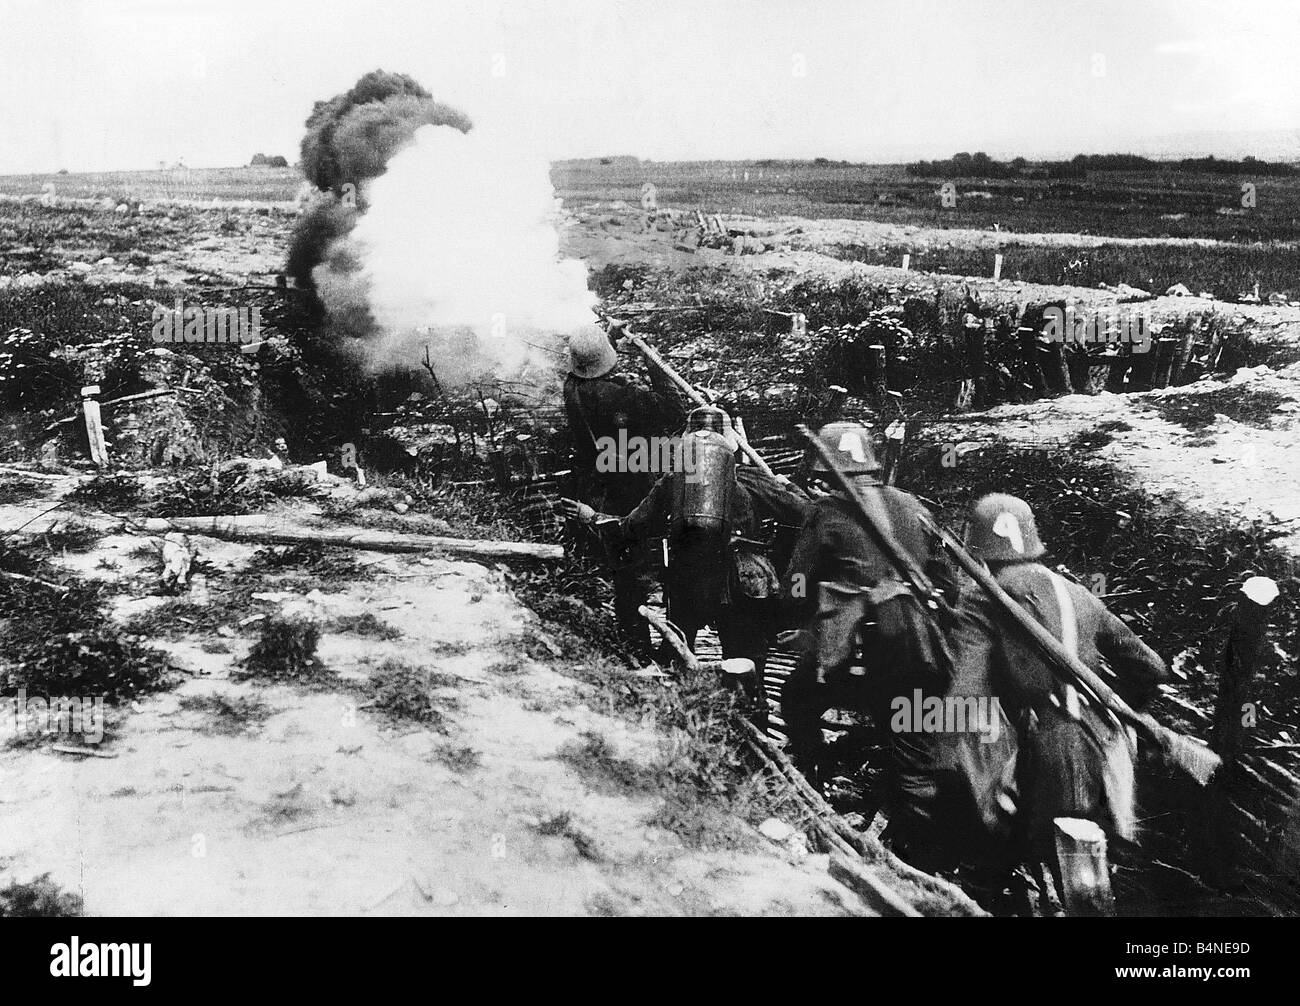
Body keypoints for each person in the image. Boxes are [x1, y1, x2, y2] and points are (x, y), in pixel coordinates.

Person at [957, 494, 1169, 883]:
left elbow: (964, 698)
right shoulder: (1079, 594)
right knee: (1095, 871)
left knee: (1017, 864)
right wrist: (1116, 705)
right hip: (1106, 748)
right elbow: (1151, 668)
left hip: (1044, 751)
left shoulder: (982, 600)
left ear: (979, 549)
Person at [779, 421, 956, 831]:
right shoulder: (913, 504)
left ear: (825, 472)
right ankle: (919, 834)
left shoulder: (825, 514)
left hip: (867, 650)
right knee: (909, 739)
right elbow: (948, 584)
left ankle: (811, 784)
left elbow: (795, 585)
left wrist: (814, 618)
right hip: (923, 646)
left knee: (797, 698)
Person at [562, 405, 808, 693]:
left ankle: (683, 718)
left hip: (689, 579)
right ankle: (754, 722)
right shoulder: (752, 478)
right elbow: (805, 514)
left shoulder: (675, 480)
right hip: (745, 581)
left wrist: (592, 517)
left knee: (677, 657)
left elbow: (633, 527)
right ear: (729, 440)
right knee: (747, 667)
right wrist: (788, 485)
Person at [561, 322, 686, 660]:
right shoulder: (624, 397)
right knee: (661, 565)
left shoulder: (572, 388)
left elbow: (587, 369)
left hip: (598, 487)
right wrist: (649, 358)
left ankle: (637, 647)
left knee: (624, 576)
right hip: (632, 488)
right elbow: (674, 409)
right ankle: (663, 650)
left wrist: (609, 339)